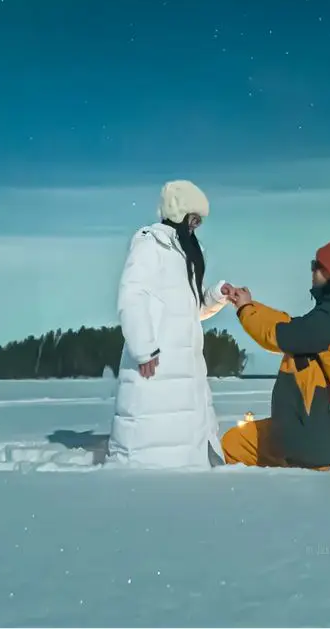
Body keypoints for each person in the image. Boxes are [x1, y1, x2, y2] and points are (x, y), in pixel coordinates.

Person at [106, 179, 230, 468]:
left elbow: (189, 311)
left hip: (186, 367)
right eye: (194, 218)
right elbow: (132, 295)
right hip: (157, 364)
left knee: (185, 445)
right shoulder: (150, 244)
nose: (197, 226)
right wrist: (144, 348)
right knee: (154, 446)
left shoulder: (183, 253)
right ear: (180, 213)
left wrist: (216, 296)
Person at [220, 238, 330, 470]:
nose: (312, 271)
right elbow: (290, 325)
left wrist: (245, 309)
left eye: (316, 265)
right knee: (236, 441)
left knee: (233, 445)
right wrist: (250, 305)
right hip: (307, 433)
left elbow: (277, 335)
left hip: (304, 439)